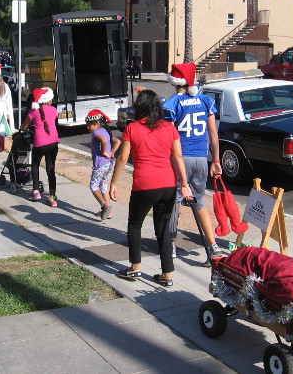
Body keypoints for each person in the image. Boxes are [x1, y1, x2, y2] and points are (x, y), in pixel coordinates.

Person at [110, 89, 192, 287]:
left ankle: (135, 268)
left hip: (144, 184)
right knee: (163, 229)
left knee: (135, 224)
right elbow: (178, 157)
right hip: (168, 184)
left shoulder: (132, 128)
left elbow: (122, 158)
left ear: (140, 107)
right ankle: (166, 274)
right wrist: (185, 184)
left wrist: (113, 183)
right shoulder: (170, 128)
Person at [162, 63, 224, 261]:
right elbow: (213, 133)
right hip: (201, 157)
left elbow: (168, 137)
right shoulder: (206, 100)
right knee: (199, 202)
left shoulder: (171, 104)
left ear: (174, 83)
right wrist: (215, 159)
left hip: (181, 157)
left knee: (175, 202)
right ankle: (213, 246)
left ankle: (170, 246)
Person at [20, 87, 60, 207]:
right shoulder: (54, 110)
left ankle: (36, 191)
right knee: (50, 169)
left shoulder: (33, 112)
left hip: (40, 143)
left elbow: (24, 128)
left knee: (35, 164)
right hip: (53, 142)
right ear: (48, 100)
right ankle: (52, 198)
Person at [85, 109, 120, 221]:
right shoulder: (106, 131)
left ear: (97, 124)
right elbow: (117, 141)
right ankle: (108, 212)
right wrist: (112, 152)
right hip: (109, 164)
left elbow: (104, 141)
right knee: (103, 185)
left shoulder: (97, 132)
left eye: (89, 125)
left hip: (100, 164)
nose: (88, 127)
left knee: (94, 186)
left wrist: (104, 152)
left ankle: (104, 205)